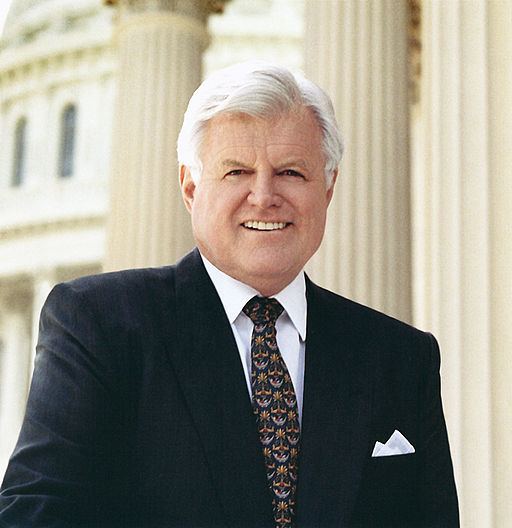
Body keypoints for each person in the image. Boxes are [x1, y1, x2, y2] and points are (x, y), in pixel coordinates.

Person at [0, 61, 459, 527]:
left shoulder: (402, 358)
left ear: (329, 187)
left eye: (291, 173)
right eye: (237, 171)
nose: (264, 195)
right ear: (191, 187)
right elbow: (35, 516)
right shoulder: (100, 325)